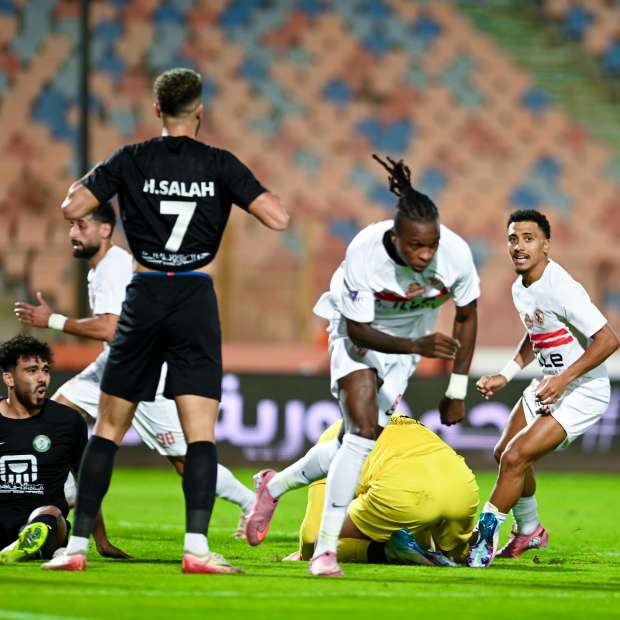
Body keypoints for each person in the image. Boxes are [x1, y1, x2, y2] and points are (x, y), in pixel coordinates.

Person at [42, 68, 289, 574]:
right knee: (200, 436)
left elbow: (73, 206)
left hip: (146, 292)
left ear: (156, 109)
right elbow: (278, 217)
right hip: (194, 297)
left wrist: (101, 178)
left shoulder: (131, 158)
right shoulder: (220, 164)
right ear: (199, 111)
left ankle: (76, 548)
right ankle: (196, 549)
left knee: (108, 429)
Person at [247, 155, 479, 577]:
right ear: (395, 236)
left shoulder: (456, 255)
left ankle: (273, 486)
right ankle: (326, 552)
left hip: (408, 346)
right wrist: (419, 344)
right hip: (359, 334)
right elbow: (358, 330)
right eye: (415, 246)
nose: (425, 254)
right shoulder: (366, 251)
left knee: (351, 443)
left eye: (432, 245)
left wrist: (456, 390)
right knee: (360, 436)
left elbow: (466, 316)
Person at [14, 203, 256, 535]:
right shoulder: (101, 268)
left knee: (184, 461)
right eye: (71, 226)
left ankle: (251, 501)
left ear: (105, 230)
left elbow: (111, 328)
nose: (72, 233)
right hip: (115, 362)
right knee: (56, 416)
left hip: (143, 369)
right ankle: (57, 497)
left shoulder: (114, 267)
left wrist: (53, 320)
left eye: (81, 225)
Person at [468, 209, 619, 568]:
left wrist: (564, 379)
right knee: (504, 452)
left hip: (583, 390)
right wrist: (506, 374)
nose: (519, 246)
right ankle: (530, 530)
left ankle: (483, 538)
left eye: (528, 239)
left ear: (546, 245)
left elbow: (609, 340)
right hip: (550, 383)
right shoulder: (519, 288)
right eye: (513, 239)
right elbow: (535, 333)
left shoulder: (560, 286)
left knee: (515, 457)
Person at [285, 415, 478, 567]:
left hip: (402, 494)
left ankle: (387, 552)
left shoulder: (333, 437)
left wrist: (304, 555)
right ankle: (479, 541)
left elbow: (310, 536)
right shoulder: (413, 423)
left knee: (321, 544)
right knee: (457, 557)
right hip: (463, 485)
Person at [0, 335, 124, 563]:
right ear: (9, 378)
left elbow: (85, 482)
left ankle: (28, 542)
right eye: (31, 371)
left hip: (45, 523)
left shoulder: (67, 421)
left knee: (50, 513)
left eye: (45, 370)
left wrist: (101, 540)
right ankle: (28, 548)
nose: (42, 378)